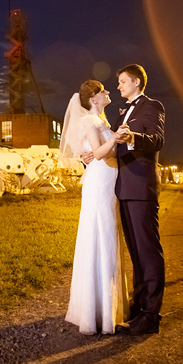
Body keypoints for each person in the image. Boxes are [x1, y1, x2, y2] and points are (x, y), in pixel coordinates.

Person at [59, 80, 131, 335]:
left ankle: (107, 305)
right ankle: (98, 310)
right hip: (100, 181)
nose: (108, 92)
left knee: (108, 234)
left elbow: (94, 151)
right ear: (93, 99)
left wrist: (115, 139)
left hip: (107, 180)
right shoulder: (90, 121)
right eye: (103, 91)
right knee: (103, 234)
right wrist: (117, 139)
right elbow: (99, 153)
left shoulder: (101, 120)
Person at [110, 64, 166, 335]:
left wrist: (132, 137)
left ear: (135, 82)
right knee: (136, 253)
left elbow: (156, 140)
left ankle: (151, 316)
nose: (118, 86)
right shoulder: (124, 111)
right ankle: (138, 306)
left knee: (148, 252)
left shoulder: (152, 106)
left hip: (142, 188)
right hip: (125, 189)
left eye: (122, 81)